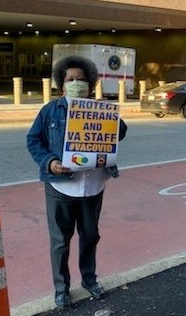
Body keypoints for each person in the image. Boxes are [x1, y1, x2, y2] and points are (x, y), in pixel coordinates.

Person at [26, 56, 128, 309]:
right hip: (60, 186)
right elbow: (33, 140)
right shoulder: (50, 110)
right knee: (60, 241)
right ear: (62, 85)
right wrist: (50, 162)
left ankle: (89, 279)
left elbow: (121, 132)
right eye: (70, 80)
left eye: (81, 80)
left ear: (90, 84)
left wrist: (108, 114)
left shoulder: (98, 109)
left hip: (93, 186)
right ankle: (62, 289)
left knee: (90, 236)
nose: (76, 84)